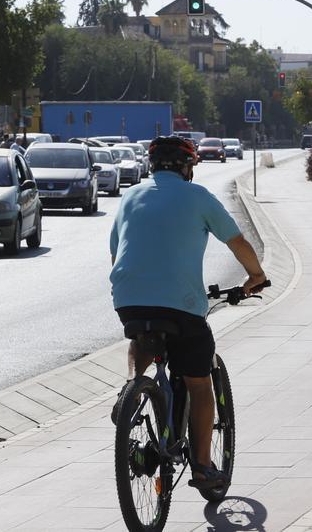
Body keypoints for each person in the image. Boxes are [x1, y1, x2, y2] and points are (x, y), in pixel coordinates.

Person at [110, 135, 266, 490]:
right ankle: (201, 466)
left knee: (141, 336)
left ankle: (135, 386)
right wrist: (256, 276)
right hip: (181, 306)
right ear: (187, 168)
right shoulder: (198, 197)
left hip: (129, 300)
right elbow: (237, 242)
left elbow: (115, 250)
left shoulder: (131, 196)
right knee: (199, 384)